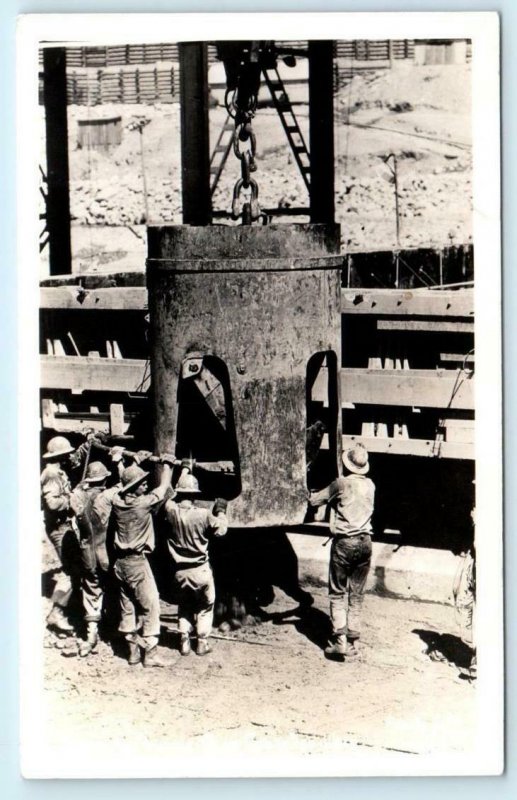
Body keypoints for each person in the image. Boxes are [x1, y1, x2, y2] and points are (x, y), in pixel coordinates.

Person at [309, 443, 375, 661]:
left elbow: (315, 500)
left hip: (345, 543)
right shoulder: (371, 485)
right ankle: (354, 641)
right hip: (366, 542)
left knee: (338, 592)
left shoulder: (341, 484)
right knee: (356, 594)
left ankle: (340, 642)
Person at [111, 456, 173, 667]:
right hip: (138, 563)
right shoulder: (143, 504)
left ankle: (133, 653)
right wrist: (168, 465)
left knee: (127, 606)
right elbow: (164, 487)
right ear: (134, 487)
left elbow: (123, 483)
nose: (146, 485)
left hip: (120, 565)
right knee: (151, 605)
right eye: (142, 483)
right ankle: (151, 655)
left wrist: (124, 463)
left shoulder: (118, 502)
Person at [163, 465, 228, 656]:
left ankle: (183, 641)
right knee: (205, 607)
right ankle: (201, 643)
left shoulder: (170, 510)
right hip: (200, 569)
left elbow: (170, 496)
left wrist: (183, 471)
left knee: (184, 605)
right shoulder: (203, 514)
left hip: (179, 572)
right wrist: (221, 510)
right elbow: (221, 530)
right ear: (194, 493)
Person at [69, 460, 120, 657]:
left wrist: (84, 483)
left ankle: (91, 636)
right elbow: (123, 488)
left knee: (91, 591)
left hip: (86, 554)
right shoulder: (107, 498)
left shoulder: (78, 497)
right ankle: (114, 629)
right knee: (113, 589)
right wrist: (120, 464)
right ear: (105, 479)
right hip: (105, 553)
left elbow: (74, 492)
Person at [40, 435, 83, 633]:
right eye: (66, 454)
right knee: (71, 571)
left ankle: (63, 609)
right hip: (59, 528)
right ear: (60, 455)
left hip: (61, 526)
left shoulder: (57, 471)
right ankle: (57, 613)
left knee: (72, 568)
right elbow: (52, 503)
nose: (69, 457)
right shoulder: (51, 474)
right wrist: (71, 500)